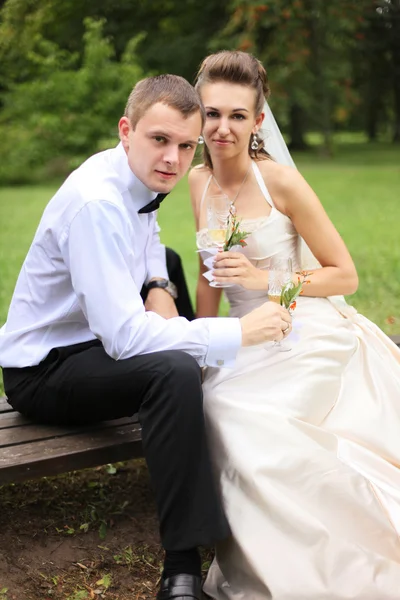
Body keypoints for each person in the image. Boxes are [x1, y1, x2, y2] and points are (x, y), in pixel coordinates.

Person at [0, 74, 291, 600]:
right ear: (126, 129)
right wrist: (237, 330)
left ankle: (198, 414)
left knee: (173, 271)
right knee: (173, 368)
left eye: (187, 145)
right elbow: (126, 341)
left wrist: (157, 283)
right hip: (44, 370)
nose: (174, 161)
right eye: (160, 141)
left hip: (92, 341)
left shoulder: (132, 178)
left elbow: (150, 234)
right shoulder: (97, 204)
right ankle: (181, 569)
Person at [189, 50, 400, 600]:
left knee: (249, 414)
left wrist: (265, 283)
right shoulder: (196, 183)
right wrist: (198, 341)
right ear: (198, 114)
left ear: (258, 121)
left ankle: (314, 563)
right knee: (217, 401)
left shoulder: (281, 182)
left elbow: (345, 274)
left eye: (238, 115)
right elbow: (207, 273)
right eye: (212, 113)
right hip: (240, 337)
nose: (222, 127)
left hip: (302, 327)